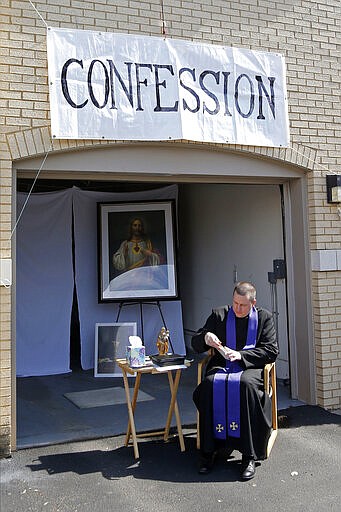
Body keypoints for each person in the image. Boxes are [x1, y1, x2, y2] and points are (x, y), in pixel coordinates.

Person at [192, 281, 278, 480]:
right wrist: (206, 338)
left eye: (243, 305)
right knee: (209, 384)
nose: (237, 309)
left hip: (249, 367)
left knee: (245, 385)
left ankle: (248, 456)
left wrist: (241, 356)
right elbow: (195, 342)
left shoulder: (264, 318)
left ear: (253, 302)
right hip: (222, 366)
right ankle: (208, 451)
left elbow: (271, 351)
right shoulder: (219, 315)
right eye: (235, 303)